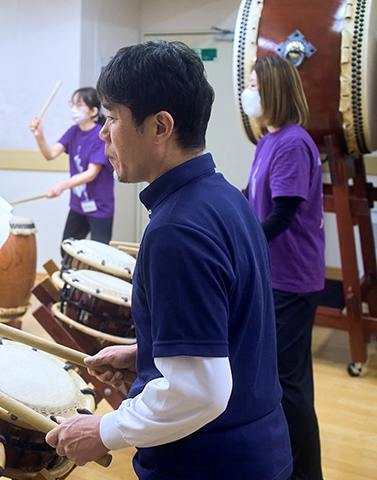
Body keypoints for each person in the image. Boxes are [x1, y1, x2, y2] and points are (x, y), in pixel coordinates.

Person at [44, 41, 292, 480]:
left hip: (211, 464)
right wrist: (150, 354)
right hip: (258, 448)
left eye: (113, 117)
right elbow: (231, 332)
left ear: (160, 126)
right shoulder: (226, 198)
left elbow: (201, 393)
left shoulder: (177, 229)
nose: (102, 132)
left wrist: (104, 430)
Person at [243, 55, 324, 480]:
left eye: (254, 84)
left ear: (273, 89)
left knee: (288, 388)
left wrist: (241, 245)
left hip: (292, 279)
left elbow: (284, 214)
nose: (248, 91)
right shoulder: (269, 140)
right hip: (278, 276)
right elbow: (254, 196)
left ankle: (305, 474)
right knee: (291, 383)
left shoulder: (292, 142)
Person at [30, 87, 115, 243]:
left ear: (93, 111)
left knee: (99, 253)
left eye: (79, 105)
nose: (74, 109)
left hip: (100, 207)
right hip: (78, 205)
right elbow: (50, 154)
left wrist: (62, 185)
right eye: (73, 104)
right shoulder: (73, 132)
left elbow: (91, 173)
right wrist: (39, 136)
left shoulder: (99, 135)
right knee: (67, 249)